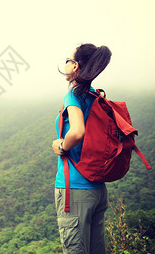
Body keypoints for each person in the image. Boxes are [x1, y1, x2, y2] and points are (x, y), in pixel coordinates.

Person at [52, 43, 112, 254]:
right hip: (97, 190)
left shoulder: (74, 95)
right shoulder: (95, 95)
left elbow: (77, 132)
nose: (66, 63)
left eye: (68, 59)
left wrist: (61, 145)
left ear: (76, 66)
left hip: (75, 189)